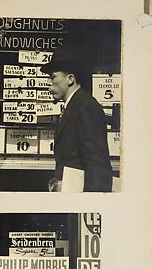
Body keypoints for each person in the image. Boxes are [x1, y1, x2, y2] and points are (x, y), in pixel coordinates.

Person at [41, 46, 113, 192]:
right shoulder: (74, 105)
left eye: (53, 76)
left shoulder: (86, 106)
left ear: (70, 79)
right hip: (71, 191)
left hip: (81, 196)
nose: (48, 83)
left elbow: (97, 162)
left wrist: (91, 203)